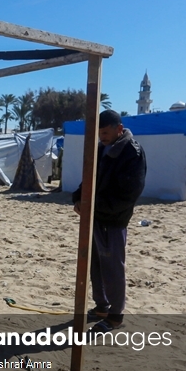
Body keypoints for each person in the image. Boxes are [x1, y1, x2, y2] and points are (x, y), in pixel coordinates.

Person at [72, 109, 147, 332]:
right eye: (99, 133)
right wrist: (78, 198)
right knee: (95, 266)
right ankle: (102, 306)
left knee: (113, 268)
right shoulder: (102, 148)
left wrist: (92, 206)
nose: (102, 137)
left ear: (119, 129)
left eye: (105, 132)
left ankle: (115, 316)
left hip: (113, 220)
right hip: (95, 217)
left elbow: (128, 194)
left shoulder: (131, 152)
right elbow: (89, 177)